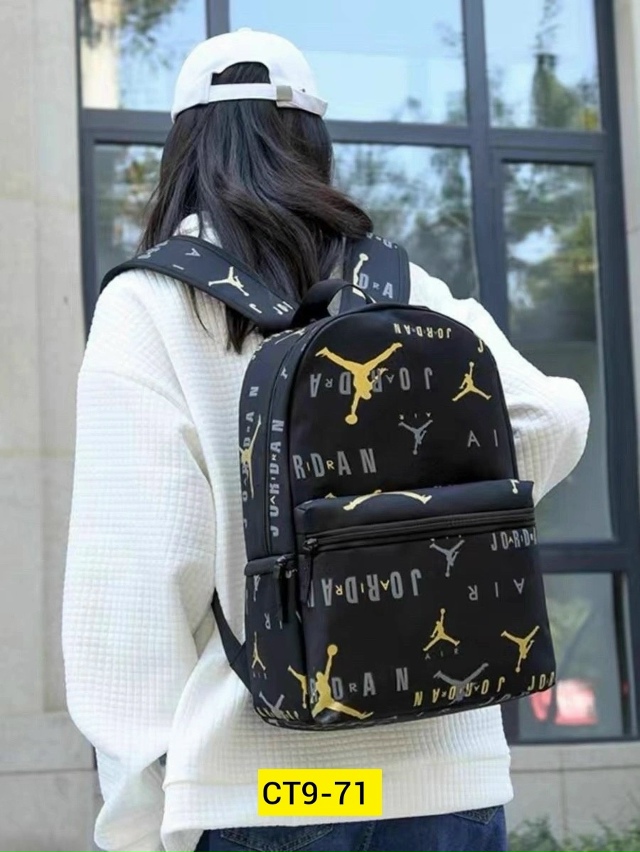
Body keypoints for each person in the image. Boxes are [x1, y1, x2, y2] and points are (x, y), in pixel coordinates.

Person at [62, 29, 590, 852]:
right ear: (313, 140)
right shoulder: (399, 285)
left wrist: (138, 819)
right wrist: (429, 496)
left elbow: (131, 581)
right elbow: (552, 419)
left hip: (267, 795)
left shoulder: (154, 303)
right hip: (449, 785)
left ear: (183, 149)